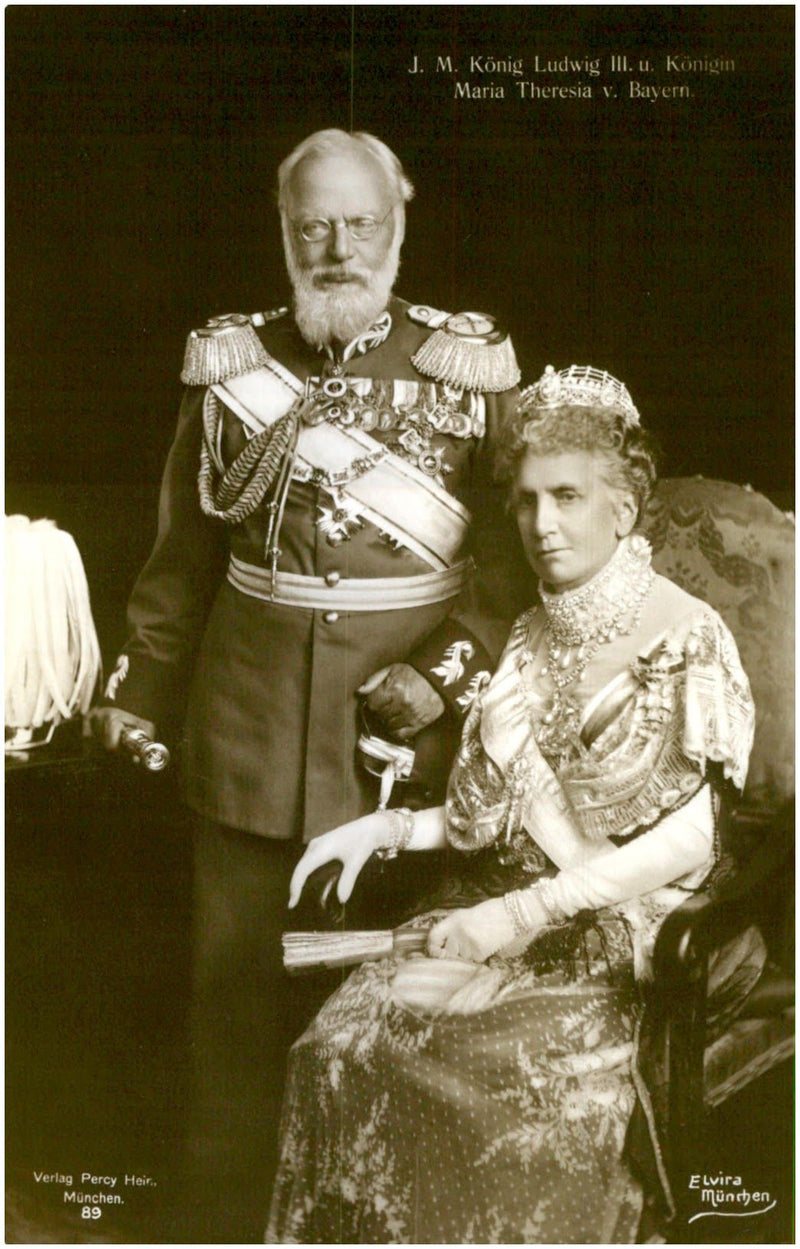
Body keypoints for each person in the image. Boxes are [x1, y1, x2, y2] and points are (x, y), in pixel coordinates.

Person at [89, 128, 520, 1242]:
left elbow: (517, 566)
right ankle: (229, 1220)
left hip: (401, 750)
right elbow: (181, 557)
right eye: (311, 225)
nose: (335, 248)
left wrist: (439, 676)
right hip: (246, 727)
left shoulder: (462, 366)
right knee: (230, 1008)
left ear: (398, 224)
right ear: (285, 232)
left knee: (391, 1016)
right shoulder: (231, 366)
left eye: (358, 222)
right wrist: (138, 689)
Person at [267, 364, 758, 1244]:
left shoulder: (689, 635)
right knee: (339, 1048)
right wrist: (380, 828)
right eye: (527, 501)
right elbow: (477, 821)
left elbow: (698, 835)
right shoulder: (527, 636)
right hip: (500, 918)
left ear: (625, 505)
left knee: (500, 1088)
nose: (543, 525)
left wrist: (519, 911)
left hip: (625, 943)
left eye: (568, 496)